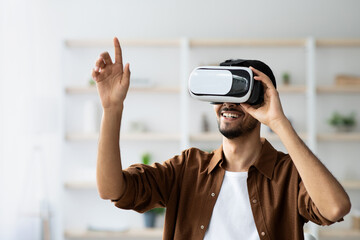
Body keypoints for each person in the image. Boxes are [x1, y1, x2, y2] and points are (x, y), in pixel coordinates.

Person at [92, 37, 351, 240]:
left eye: (240, 92)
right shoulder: (187, 168)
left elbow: (335, 208)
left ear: (263, 100)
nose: (229, 102)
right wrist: (112, 109)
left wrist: (278, 122)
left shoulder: (288, 175)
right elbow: (112, 190)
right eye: (221, 92)